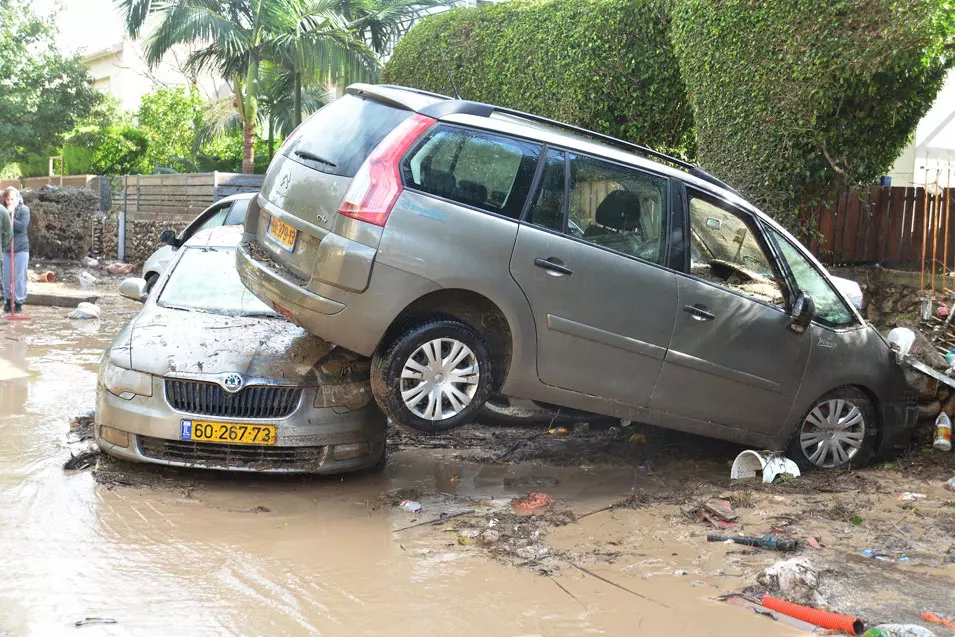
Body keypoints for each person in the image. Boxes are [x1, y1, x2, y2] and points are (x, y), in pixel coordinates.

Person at [2, 187, 29, 314]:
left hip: (21, 249)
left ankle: (18, 303)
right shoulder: (2, 211)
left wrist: (10, 214)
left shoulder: (24, 210)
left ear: (17, 198)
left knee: (18, 277)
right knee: (6, 277)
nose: (10, 202)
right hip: (7, 249)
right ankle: (8, 301)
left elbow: (22, 227)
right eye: (7, 199)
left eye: (12, 199)